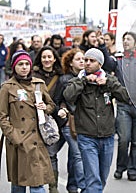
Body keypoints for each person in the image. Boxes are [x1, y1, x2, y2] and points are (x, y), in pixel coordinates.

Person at [63, 48, 131, 193]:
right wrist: (83, 81)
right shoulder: (78, 80)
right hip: (87, 137)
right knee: (93, 180)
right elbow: (68, 95)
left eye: (91, 61)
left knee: (101, 178)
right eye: (85, 60)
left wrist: (108, 84)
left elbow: (125, 97)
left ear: (100, 64)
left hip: (107, 136)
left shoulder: (109, 79)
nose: (87, 63)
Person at [0, 50, 55, 193]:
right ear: (14, 67)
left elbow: (51, 106)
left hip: (36, 140)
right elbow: (2, 115)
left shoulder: (39, 84)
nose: (24, 67)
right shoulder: (7, 87)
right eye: (20, 64)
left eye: (26, 64)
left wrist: (45, 107)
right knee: (19, 185)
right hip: (18, 141)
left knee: (37, 184)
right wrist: (13, 136)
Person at [113, 31, 136, 181]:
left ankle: (132, 170)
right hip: (123, 105)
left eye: (129, 39)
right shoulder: (118, 60)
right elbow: (106, 62)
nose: (125, 41)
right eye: (124, 39)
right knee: (124, 139)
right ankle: (120, 167)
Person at [53, 48, 86, 193]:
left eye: (84, 59)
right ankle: (84, 187)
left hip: (82, 122)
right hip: (69, 121)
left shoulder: (86, 77)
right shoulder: (65, 79)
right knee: (78, 155)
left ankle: (72, 186)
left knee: (74, 156)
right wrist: (64, 116)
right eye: (78, 59)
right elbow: (58, 100)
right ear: (70, 63)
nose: (82, 62)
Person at [32, 46, 64, 193]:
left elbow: (62, 98)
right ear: (40, 59)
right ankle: (36, 185)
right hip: (34, 119)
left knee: (51, 154)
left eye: (49, 57)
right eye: (44, 57)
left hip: (52, 120)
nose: (47, 60)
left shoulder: (60, 76)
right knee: (34, 155)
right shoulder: (32, 76)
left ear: (54, 59)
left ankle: (53, 187)